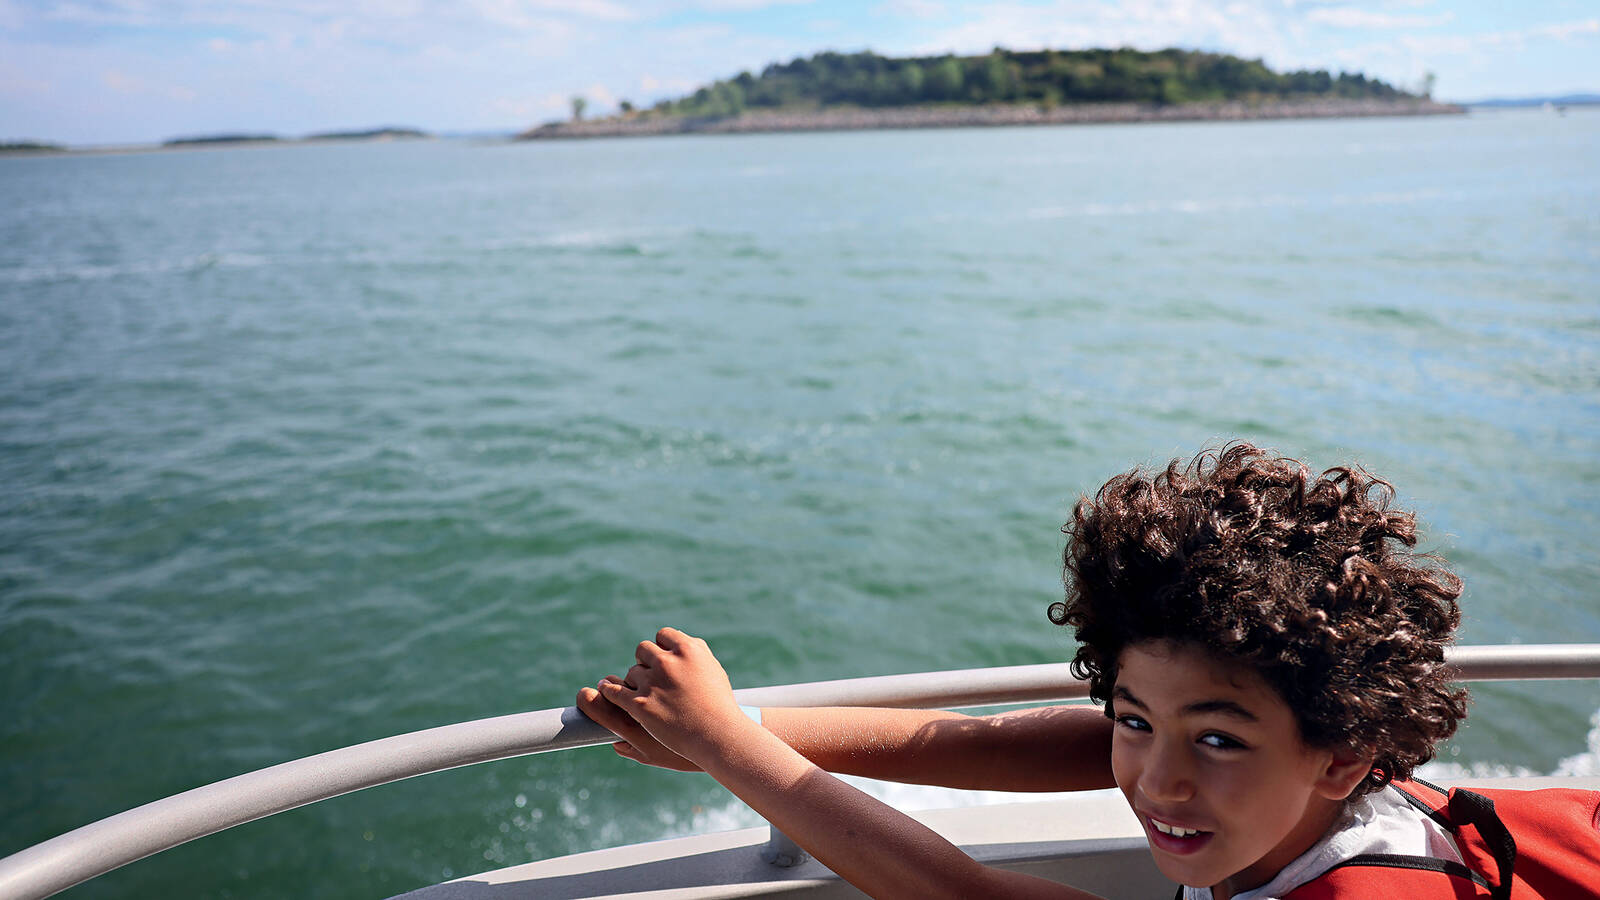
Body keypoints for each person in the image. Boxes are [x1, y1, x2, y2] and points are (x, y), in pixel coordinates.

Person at [575, 443, 1469, 899]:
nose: (1157, 779)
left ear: (1344, 756)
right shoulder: (1305, 787)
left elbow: (965, 898)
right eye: (1136, 718)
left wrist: (734, 749)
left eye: (1217, 739)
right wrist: (732, 732)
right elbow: (1034, 747)